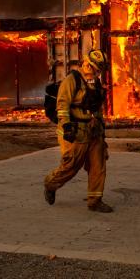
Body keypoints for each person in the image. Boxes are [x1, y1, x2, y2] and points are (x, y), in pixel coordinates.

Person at [43, 49, 113, 213]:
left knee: (98, 165)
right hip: (75, 131)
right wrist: (66, 126)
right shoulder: (72, 80)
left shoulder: (95, 83)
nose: (98, 73)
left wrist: (102, 132)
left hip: (93, 131)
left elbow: (97, 109)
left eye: (99, 70)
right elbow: (62, 105)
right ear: (88, 64)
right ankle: (51, 184)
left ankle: (95, 201)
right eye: (96, 69)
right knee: (70, 166)